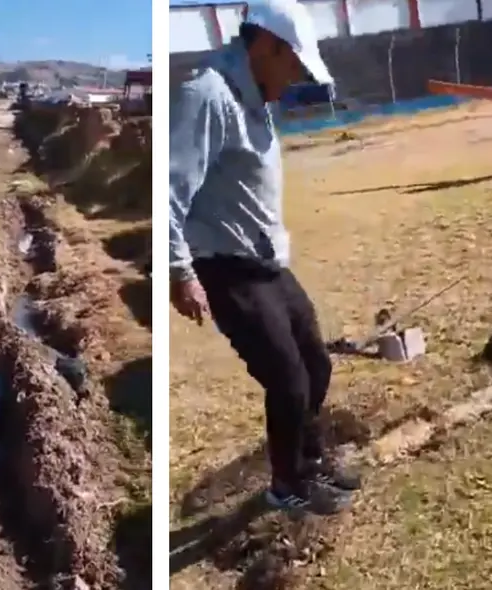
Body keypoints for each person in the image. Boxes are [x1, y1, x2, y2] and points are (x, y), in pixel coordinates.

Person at [169, 0, 360, 514]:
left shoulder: (255, 95)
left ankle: (311, 461)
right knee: (288, 379)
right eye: (293, 65)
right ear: (266, 47)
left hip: (268, 262)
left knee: (315, 366)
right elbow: (169, 188)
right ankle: (287, 486)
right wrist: (178, 271)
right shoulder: (204, 95)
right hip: (226, 266)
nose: (295, 78)